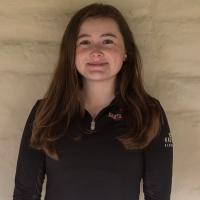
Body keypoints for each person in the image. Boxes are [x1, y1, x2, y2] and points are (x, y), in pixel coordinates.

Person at [13, 3, 173, 200]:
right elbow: (25, 193)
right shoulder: (45, 112)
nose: (96, 51)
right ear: (71, 53)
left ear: (125, 52)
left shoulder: (148, 112)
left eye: (107, 41)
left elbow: (158, 196)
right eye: (85, 42)